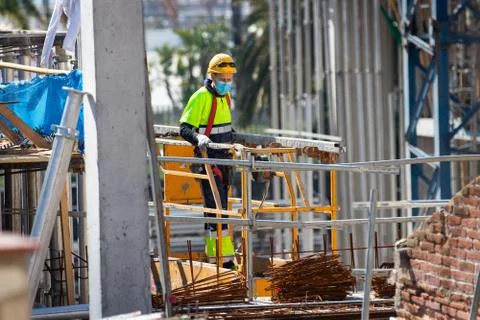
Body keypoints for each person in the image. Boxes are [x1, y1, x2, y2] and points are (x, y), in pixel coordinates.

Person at [179, 53, 236, 269]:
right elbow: (184, 129)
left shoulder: (225, 98)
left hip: (224, 161)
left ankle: (219, 257)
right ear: (212, 76)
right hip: (208, 160)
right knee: (216, 208)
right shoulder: (200, 97)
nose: (226, 83)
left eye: (229, 79)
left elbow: (224, 128)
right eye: (223, 78)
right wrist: (198, 137)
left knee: (219, 208)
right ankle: (224, 261)